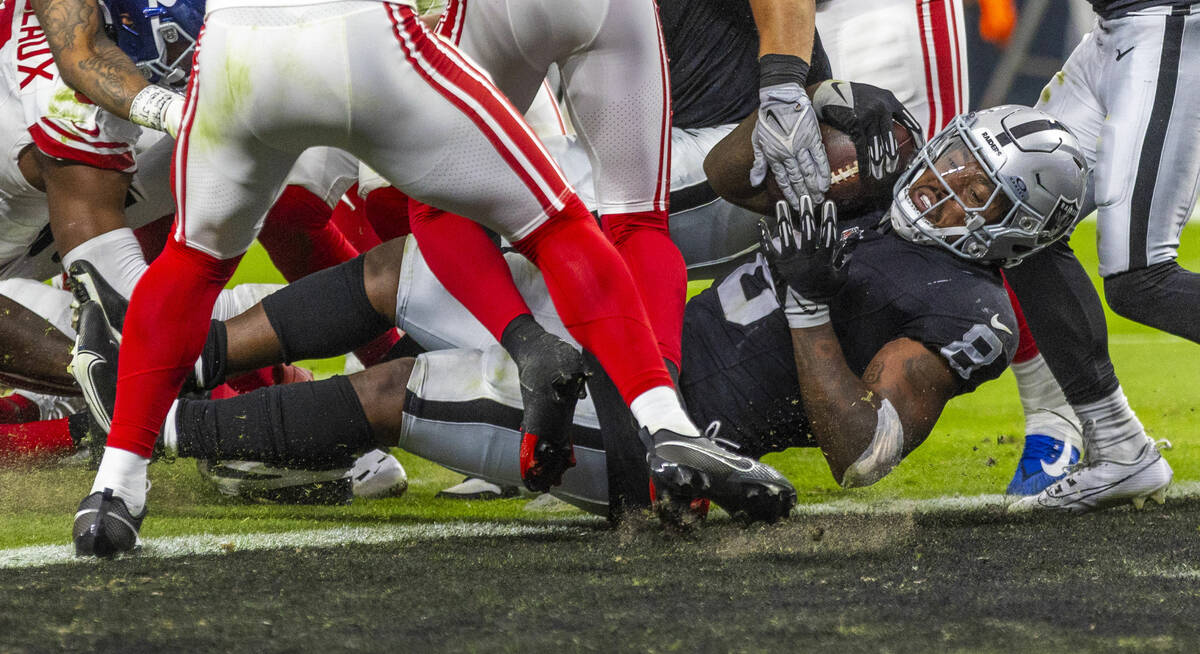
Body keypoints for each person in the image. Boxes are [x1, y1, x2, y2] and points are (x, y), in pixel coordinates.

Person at [87, 106, 1088, 522]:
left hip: (667, 445)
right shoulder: (879, 186)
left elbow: (860, 455)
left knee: (406, 389)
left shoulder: (968, 307)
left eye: (977, 193)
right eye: (955, 162)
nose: (945, 188)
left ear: (1017, 230)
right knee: (411, 264)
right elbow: (734, 173)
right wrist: (806, 120)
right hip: (637, 344)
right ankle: (172, 363)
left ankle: (162, 429)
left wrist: (810, 305)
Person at [71, 0, 788, 557]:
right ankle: (663, 422)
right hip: (368, 41)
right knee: (581, 225)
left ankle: (115, 487)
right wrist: (786, 79)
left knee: (195, 263)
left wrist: (167, 108)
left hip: (237, 52)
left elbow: (74, 49)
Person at [1004, 0, 1197, 512]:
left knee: (1142, 279)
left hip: (1169, 18)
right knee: (1019, 220)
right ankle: (1118, 448)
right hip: (1111, 29)